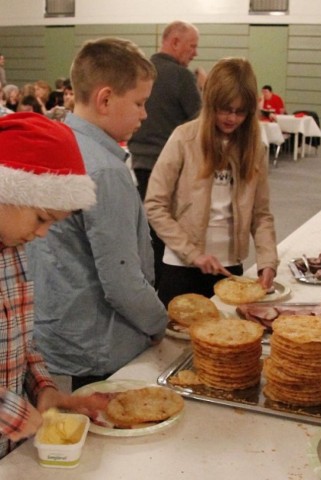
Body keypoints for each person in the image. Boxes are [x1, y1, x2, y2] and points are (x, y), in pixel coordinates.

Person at [26, 37, 168, 391]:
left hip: (56, 330)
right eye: (139, 102)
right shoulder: (104, 170)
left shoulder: (58, 143)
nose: (144, 114)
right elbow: (121, 279)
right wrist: (157, 322)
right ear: (105, 99)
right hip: (100, 343)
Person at [0, 112, 100, 459]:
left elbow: (20, 340)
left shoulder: (13, 248)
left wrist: (43, 387)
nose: (42, 232)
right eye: (42, 218)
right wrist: (9, 411)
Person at [144, 57, 279, 306]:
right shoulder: (184, 138)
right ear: (210, 102)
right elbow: (154, 205)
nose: (232, 118)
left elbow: (261, 215)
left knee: (226, 340)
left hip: (229, 268)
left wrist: (268, 261)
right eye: (224, 109)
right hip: (182, 265)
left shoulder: (254, 148)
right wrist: (193, 254)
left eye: (240, 112)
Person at [128, 20, 201, 200]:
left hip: (136, 162)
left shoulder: (139, 73)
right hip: (169, 165)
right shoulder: (182, 76)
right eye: (192, 46)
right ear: (175, 42)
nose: (195, 53)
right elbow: (201, 121)